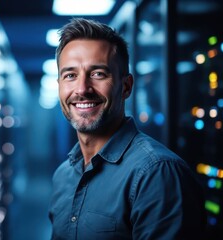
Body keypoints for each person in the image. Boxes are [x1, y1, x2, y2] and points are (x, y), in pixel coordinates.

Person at [48, 18, 207, 239]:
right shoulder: (63, 175)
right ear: (60, 87)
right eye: (70, 75)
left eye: (98, 74)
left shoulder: (158, 174)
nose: (82, 89)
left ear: (126, 87)